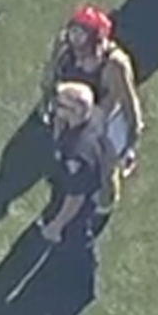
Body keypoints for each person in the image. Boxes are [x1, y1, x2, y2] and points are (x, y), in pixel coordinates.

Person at [40, 4, 144, 175]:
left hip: (103, 115)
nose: (75, 43)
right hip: (73, 103)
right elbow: (51, 74)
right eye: (73, 33)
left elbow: (130, 105)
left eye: (81, 37)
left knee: (100, 164)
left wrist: (129, 145)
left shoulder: (114, 65)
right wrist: (49, 102)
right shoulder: (64, 46)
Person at [40, 82, 118, 244]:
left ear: (75, 112)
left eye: (60, 105)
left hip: (83, 205)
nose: (55, 108)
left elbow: (76, 197)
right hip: (88, 179)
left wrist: (56, 226)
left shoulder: (78, 153)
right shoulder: (93, 118)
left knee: (72, 238)